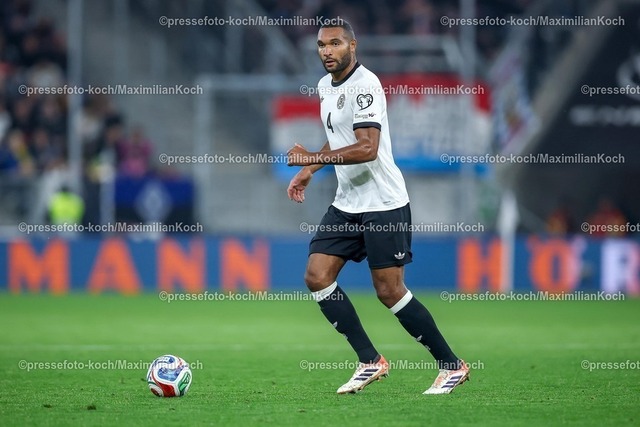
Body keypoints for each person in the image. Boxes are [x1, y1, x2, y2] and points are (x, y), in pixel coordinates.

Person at [286, 20, 468, 395]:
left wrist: (312, 157)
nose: (327, 51)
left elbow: (367, 148)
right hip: (347, 202)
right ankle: (369, 360)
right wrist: (310, 169)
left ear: (353, 45)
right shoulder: (324, 86)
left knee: (389, 291)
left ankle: (452, 365)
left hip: (383, 203)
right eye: (321, 45)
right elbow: (339, 136)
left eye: (335, 43)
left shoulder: (367, 85)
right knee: (317, 276)